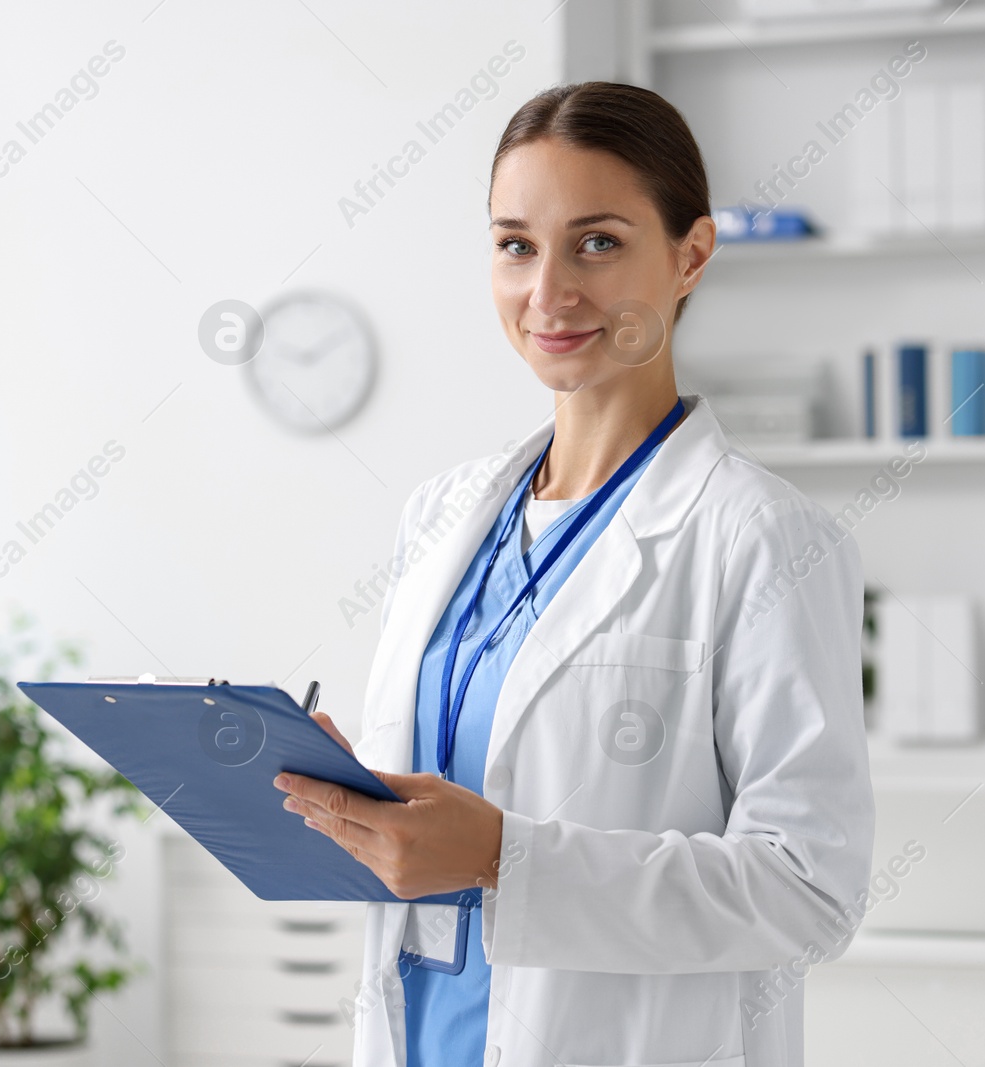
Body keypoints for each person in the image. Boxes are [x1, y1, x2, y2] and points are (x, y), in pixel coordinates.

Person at [273, 81, 874, 1067]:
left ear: (690, 254)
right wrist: (343, 801)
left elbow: (810, 892)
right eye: (515, 244)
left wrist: (504, 856)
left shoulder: (759, 537)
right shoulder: (438, 517)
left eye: (596, 242)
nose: (547, 292)